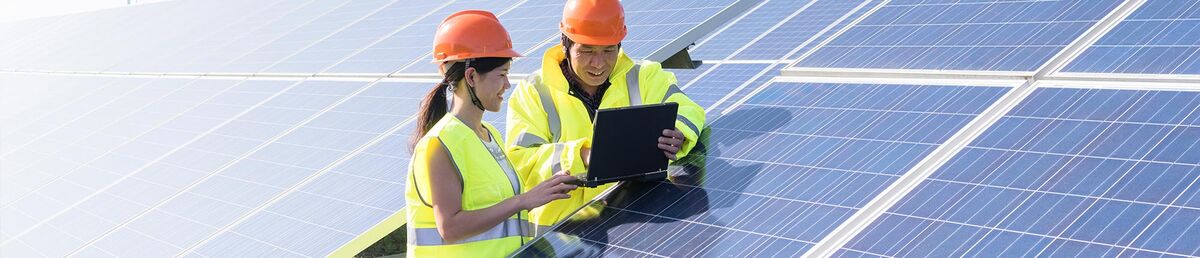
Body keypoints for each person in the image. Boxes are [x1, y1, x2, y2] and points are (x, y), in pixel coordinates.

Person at [504, 0, 706, 232]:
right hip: (562, 232)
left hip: (633, 224)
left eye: (608, 50)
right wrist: (581, 155)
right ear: (564, 44)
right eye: (586, 51)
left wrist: (680, 132)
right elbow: (520, 162)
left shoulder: (644, 76)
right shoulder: (533, 92)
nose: (598, 63)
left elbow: (689, 110)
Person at [405, 10, 578, 257]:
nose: (507, 85)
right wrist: (524, 200)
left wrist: (545, 188)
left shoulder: (490, 135)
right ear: (472, 76)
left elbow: (500, 208)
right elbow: (450, 227)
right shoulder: (439, 145)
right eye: (502, 75)